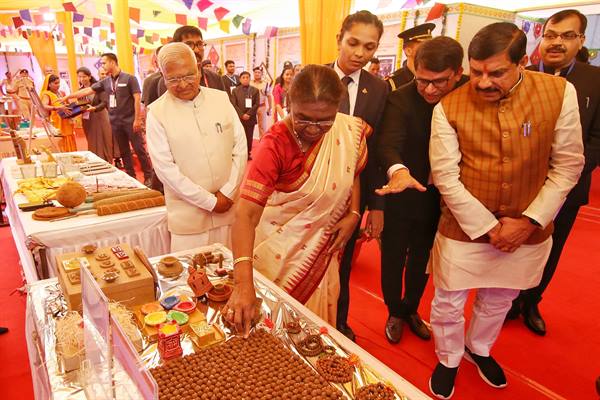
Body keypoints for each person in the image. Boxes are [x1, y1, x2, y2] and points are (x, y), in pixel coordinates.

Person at [427, 22, 584, 399]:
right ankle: (448, 357)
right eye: (476, 72)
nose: (483, 83)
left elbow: (568, 165)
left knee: (500, 298)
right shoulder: (449, 105)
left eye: (496, 73)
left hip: (528, 227)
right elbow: (446, 176)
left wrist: (529, 222)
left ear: (522, 63)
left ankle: (478, 348)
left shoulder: (559, 93)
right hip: (463, 227)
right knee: (448, 300)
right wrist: (488, 227)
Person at [223, 65, 369, 333]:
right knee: (273, 332)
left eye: (324, 120)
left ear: (337, 110)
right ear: (289, 104)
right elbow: (245, 214)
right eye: (302, 118)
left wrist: (354, 213)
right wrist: (243, 284)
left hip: (320, 250)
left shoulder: (347, 131)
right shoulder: (275, 144)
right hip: (277, 250)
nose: (313, 128)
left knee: (312, 332)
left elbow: (351, 171)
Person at [507, 9, 600, 336]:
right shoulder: (521, 76)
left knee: (551, 247)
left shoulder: (595, 80)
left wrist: (565, 176)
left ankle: (532, 302)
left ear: (581, 40)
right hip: (520, 186)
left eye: (567, 36)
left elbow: (597, 139)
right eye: (550, 35)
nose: (557, 42)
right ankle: (508, 300)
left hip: (567, 190)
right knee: (515, 246)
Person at [376, 37, 468, 344]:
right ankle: (394, 311)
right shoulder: (400, 99)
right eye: (421, 80)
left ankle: (411, 308)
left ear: (457, 73)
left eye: (438, 82)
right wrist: (398, 170)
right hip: (403, 193)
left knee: (423, 258)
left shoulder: (469, 96)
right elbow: (388, 144)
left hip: (443, 199)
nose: (428, 90)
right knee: (393, 255)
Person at [146, 43, 247, 252]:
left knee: (230, 267)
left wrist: (228, 192)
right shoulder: (157, 113)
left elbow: (240, 147)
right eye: (173, 79)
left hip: (229, 210)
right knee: (190, 270)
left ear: (199, 70)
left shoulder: (221, 99)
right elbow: (165, 169)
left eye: (188, 76)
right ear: (163, 77)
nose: (183, 84)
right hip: (188, 221)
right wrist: (210, 202)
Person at [331, 10, 389, 341]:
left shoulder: (378, 89)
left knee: (344, 261)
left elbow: (379, 150)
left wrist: (376, 206)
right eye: (353, 43)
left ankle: (338, 322)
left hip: (354, 193)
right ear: (339, 38)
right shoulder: (313, 76)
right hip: (310, 189)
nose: (359, 53)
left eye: (369, 47)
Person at [63, 53, 152, 186]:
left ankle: (149, 176)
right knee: (124, 151)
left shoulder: (130, 79)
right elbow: (87, 91)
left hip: (130, 121)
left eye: (104, 63)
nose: (102, 66)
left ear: (113, 62)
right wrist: (68, 97)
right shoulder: (106, 82)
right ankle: (131, 176)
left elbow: (137, 99)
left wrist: (137, 119)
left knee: (139, 149)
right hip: (115, 121)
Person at [154, 26, 227, 97]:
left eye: (200, 44)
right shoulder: (169, 82)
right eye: (189, 44)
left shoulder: (214, 78)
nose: (196, 50)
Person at [77, 67, 114, 162]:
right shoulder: (80, 90)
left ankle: (107, 161)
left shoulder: (98, 87)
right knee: (92, 141)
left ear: (89, 76)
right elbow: (80, 104)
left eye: (84, 76)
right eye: (79, 77)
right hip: (87, 118)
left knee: (104, 140)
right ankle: (95, 161)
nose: (82, 79)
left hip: (100, 115)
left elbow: (104, 102)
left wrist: (95, 108)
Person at [386, 23, 435, 91]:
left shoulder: (434, 76)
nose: (430, 50)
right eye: (424, 46)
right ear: (408, 51)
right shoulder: (393, 82)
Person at [40, 74, 76, 152]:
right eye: (55, 83)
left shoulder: (61, 93)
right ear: (49, 84)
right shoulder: (47, 94)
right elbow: (43, 106)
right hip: (57, 122)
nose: (58, 85)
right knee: (61, 138)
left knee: (69, 136)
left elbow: (67, 104)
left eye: (59, 83)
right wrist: (57, 108)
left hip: (66, 120)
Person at [231, 71, 259, 159]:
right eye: (243, 77)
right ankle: (240, 153)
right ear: (240, 79)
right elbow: (234, 104)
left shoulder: (255, 90)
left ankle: (248, 153)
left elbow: (256, 104)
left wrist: (248, 114)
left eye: (247, 77)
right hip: (240, 118)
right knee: (239, 136)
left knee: (249, 136)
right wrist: (242, 115)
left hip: (250, 118)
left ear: (250, 79)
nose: (245, 79)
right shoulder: (235, 91)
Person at [250, 66, 272, 138]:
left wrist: (270, 108)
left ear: (261, 74)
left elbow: (269, 96)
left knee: (262, 126)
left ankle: (262, 141)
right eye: (255, 72)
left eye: (259, 72)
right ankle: (249, 140)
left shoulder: (265, 84)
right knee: (249, 126)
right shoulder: (250, 83)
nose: (257, 74)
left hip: (261, 106)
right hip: (251, 107)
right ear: (253, 73)